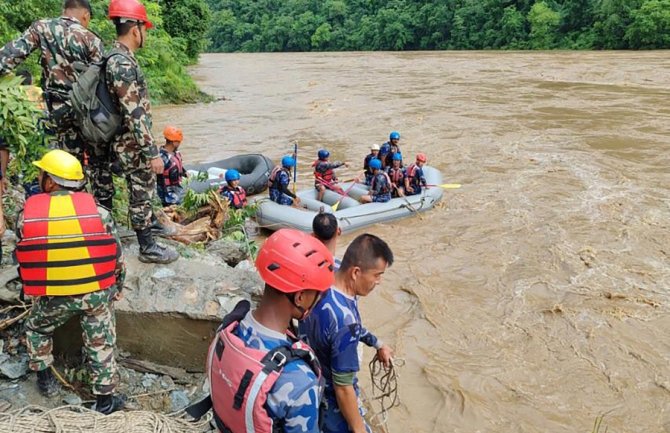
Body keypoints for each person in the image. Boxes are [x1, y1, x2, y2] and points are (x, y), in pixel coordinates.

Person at [16, 149, 126, 414]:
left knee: (35, 327)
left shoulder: (27, 216)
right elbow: (116, 257)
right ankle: (105, 401)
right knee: (101, 341)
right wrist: (117, 288)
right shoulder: (100, 213)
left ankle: (45, 379)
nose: (38, 176)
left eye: (42, 173)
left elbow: (26, 259)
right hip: (95, 293)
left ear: (51, 182)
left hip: (56, 296)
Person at [202, 229, 334, 433]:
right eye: (318, 294)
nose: (318, 299)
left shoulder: (231, 328)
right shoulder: (299, 379)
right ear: (299, 297)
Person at [0, 0, 112, 206]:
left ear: (64, 10)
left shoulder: (42, 27)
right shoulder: (91, 39)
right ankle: (95, 210)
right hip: (84, 114)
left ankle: (50, 209)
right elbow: (103, 83)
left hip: (53, 111)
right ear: (86, 15)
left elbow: (9, 56)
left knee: (53, 162)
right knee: (89, 165)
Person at [105, 0, 178, 264]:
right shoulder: (121, 64)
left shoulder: (118, 58)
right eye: (145, 28)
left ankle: (149, 227)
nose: (145, 33)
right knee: (141, 191)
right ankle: (147, 246)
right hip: (131, 143)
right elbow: (134, 113)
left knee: (142, 191)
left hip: (127, 140)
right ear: (136, 30)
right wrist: (152, 153)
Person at [299, 233, 394, 433]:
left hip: (308, 371)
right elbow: (343, 388)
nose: (378, 282)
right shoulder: (346, 323)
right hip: (329, 399)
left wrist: (377, 343)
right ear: (356, 273)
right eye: (377, 275)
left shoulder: (327, 273)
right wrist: (359, 429)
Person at [156, 125, 187, 206]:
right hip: (168, 196)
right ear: (174, 142)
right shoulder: (162, 158)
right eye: (179, 142)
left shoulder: (176, 153)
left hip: (178, 190)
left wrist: (184, 172)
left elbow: (177, 166)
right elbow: (158, 179)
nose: (180, 143)